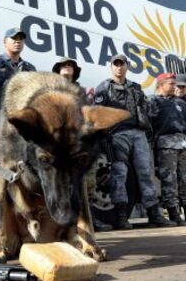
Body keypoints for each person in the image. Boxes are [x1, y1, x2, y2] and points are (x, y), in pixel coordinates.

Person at [94, 54, 174, 229]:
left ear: (127, 66)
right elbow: (99, 113)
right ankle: (121, 217)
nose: (119, 68)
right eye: (116, 64)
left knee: (146, 174)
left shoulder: (136, 88)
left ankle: (154, 214)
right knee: (119, 174)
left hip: (138, 134)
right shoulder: (104, 88)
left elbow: (147, 110)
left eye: (122, 64)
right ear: (111, 67)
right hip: (117, 134)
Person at [53, 57, 112, 232]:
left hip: (79, 141)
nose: (67, 69)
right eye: (64, 66)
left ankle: (89, 220)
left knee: (87, 182)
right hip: (60, 143)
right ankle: (63, 223)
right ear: (58, 70)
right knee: (61, 184)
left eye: (70, 66)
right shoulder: (51, 88)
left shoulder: (80, 91)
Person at [0, 27, 36, 137]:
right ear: (4, 41)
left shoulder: (30, 69)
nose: (18, 41)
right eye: (14, 38)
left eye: (21, 38)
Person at [150, 73, 186, 225]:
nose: (174, 86)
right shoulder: (153, 102)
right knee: (169, 181)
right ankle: (173, 212)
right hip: (166, 145)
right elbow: (148, 124)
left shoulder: (181, 103)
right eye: (171, 84)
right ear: (161, 85)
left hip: (182, 144)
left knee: (184, 179)